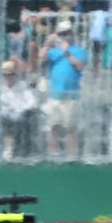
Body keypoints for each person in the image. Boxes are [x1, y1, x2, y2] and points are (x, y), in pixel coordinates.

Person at [43, 22, 88, 156]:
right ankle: (52, 155)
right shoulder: (53, 52)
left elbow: (80, 66)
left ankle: (72, 157)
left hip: (71, 96)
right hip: (55, 95)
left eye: (66, 34)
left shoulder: (79, 50)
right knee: (53, 127)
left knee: (71, 128)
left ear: (72, 35)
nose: (64, 37)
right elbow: (41, 58)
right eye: (61, 34)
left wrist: (66, 52)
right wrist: (47, 43)